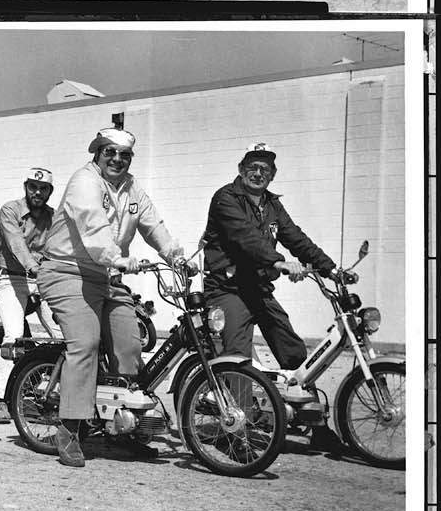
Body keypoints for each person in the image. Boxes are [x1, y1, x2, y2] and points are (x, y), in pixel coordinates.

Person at [37, 125, 184, 468]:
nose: (117, 160)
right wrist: (115, 256)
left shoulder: (133, 188)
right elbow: (93, 224)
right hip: (66, 272)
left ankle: (125, 427)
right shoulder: (84, 181)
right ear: (97, 153)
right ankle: (69, 429)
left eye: (125, 155)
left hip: (108, 275)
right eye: (110, 153)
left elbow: (152, 225)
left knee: (131, 347)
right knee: (85, 344)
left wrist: (174, 254)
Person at [202, 141, 337, 390]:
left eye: (265, 170)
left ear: (272, 175)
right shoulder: (226, 198)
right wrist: (279, 262)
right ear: (241, 169)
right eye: (253, 167)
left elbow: (295, 237)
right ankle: (239, 423)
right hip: (227, 289)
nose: (258, 174)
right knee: (238, 357)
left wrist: (331, 269)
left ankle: (308, 415)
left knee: (292, 350)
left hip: (258, 287)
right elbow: (246, 238)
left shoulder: (271, 204)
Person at [0, 166, 56, 399]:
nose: (37, 192)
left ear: (50, 191)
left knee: (63, 335)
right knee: (14, 337)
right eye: (33, 187)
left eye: (43, 188)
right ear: (25, 188)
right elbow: (15, 242)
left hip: (43, 280)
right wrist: (32, 266)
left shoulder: (55, 216)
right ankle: (0, 397)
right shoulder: (10, 210)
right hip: (12, 278)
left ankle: (49, 391)